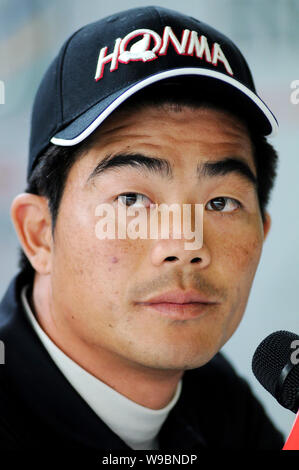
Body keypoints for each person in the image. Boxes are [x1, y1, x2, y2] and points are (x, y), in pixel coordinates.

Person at [0, 5, 284, 451]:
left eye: (220, 202)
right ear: (39, 233)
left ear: (262, 233)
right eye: (132, 200)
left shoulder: (215, 398)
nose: (186, 244)